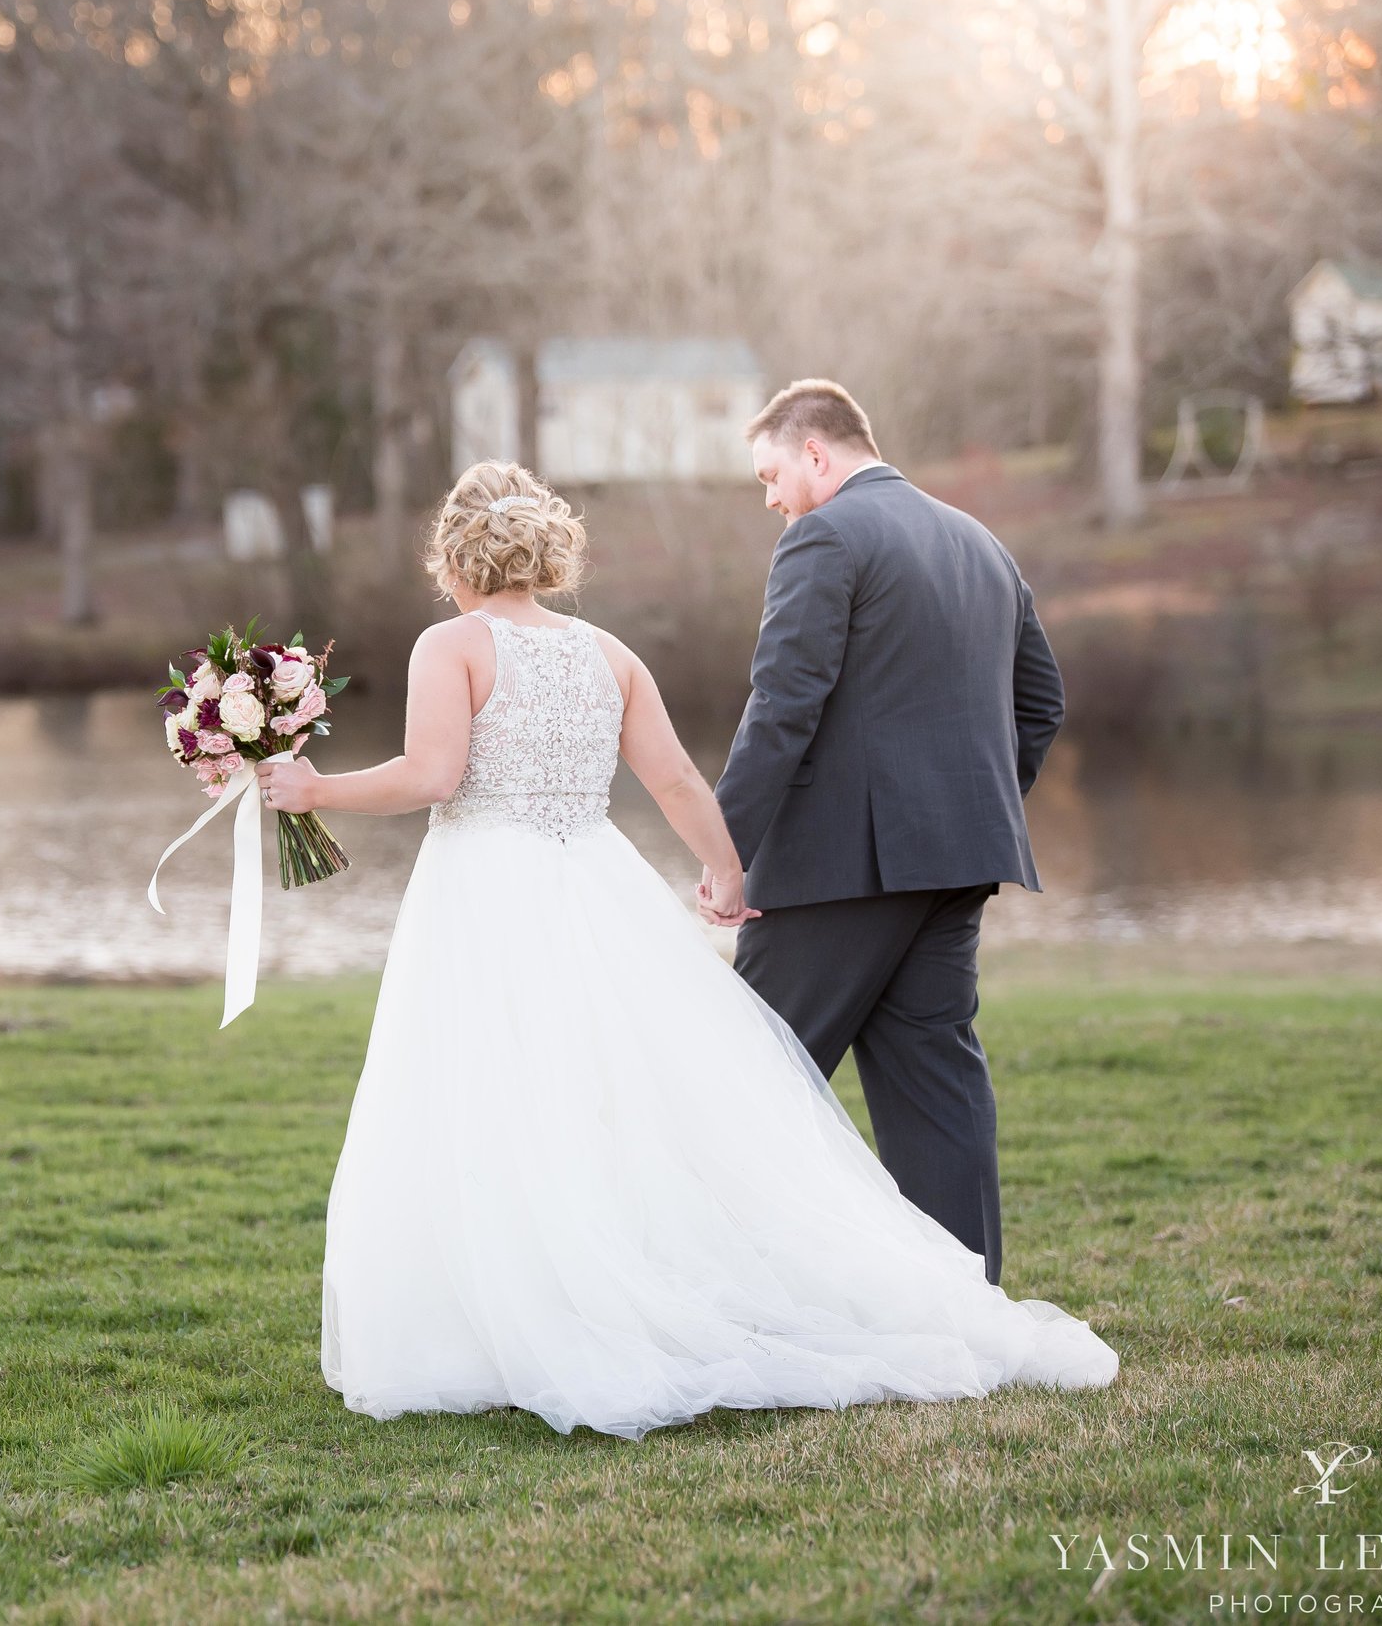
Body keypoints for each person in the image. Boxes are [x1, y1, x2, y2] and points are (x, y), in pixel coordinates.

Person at [255, 457, 1112, 1441]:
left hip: (488, 887)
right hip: (595, 882)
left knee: (490, 1091)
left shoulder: (449, 644)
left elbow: (431, 771)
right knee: (600, 1095)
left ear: (453, 556)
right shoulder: (608, 653)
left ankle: (516, 1316)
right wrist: (725, 874)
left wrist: (315, 789)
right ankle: (589, 1291)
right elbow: (675, 784)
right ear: (543, 549)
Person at [714, 380, 1066, 1286]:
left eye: (772, 474)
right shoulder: (980, 542)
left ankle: (721, 1296)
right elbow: (1043, 702)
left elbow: (783, 705)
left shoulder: (823, 536)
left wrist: (726, 849)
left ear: (817, 454)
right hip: (956, 866)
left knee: (742, 1077)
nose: (771, 498)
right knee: (936, 1087)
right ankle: (967, 1303)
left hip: (838, 871)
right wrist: (970, 808)